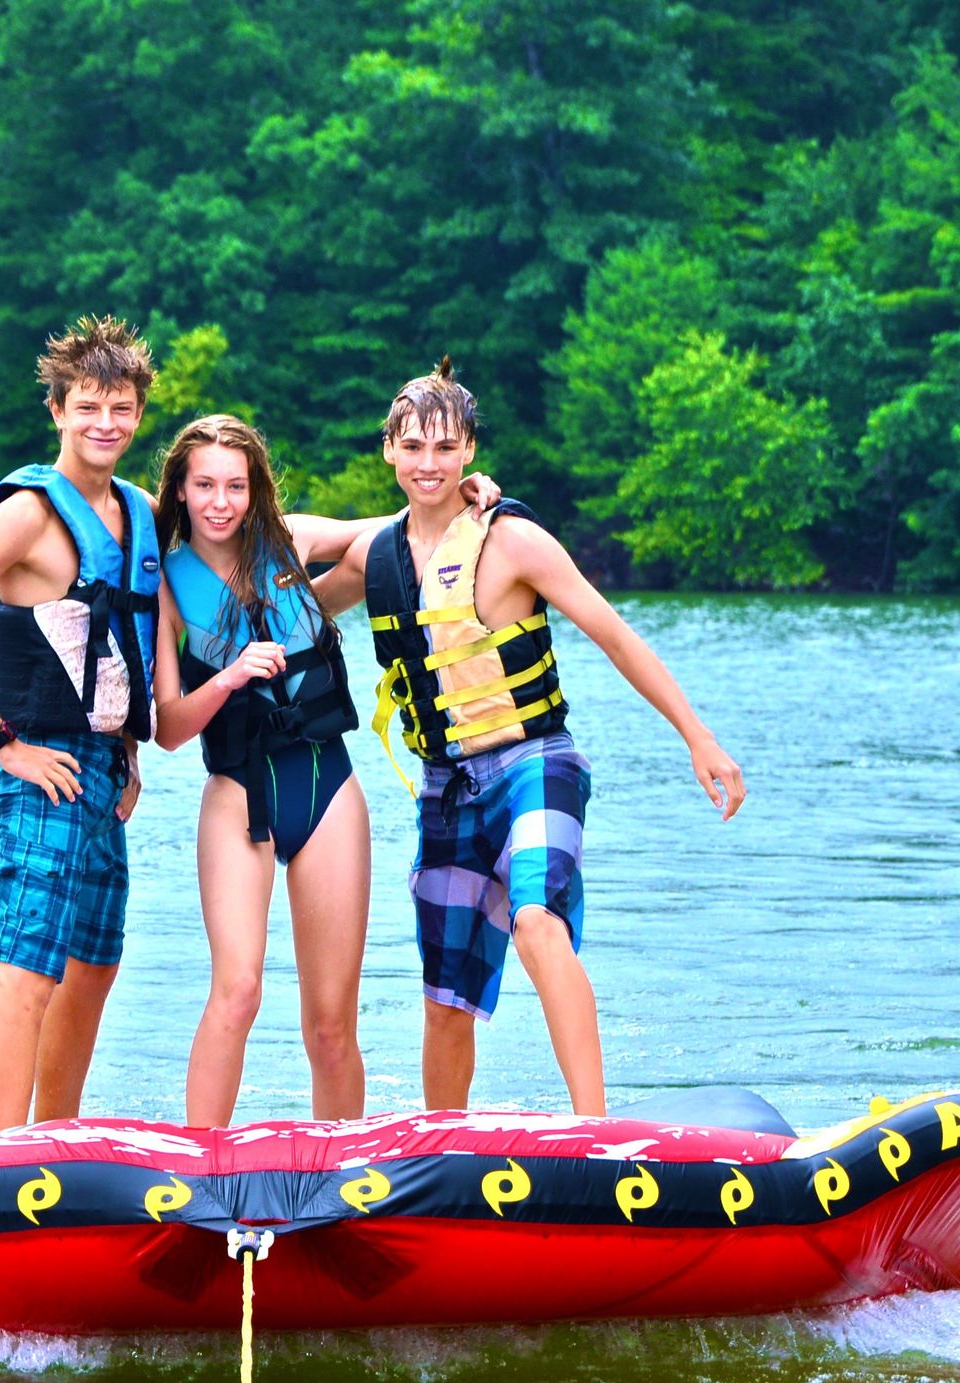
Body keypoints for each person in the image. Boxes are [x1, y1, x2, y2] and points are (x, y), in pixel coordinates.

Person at [317, 359, 748, 1118]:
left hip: (535, 763)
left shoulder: (510, 539)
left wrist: (697, 737)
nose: (428, 463)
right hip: (445, 785)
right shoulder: (374, 555)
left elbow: (614, 636)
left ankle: (595, 1127)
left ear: (470, 453)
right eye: (412, 446)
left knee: (535, 918)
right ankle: (444, 1148)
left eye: (445, 448)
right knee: (446, 996)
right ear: (388, 449)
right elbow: (291, 610)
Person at [147, 414, 498, 1127]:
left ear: (256, 490)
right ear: (180, 491)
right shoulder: (167, 585)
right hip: (239, 793)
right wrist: (227, 679)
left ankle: (339, 1171)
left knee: (331, 1023)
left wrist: (464, 495)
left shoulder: (292, 540)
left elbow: (399, 533)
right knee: (238, 990)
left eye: (236, 486)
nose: (221, 502)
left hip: (327, 787)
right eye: (205, 485)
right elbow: (168, 730)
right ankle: (198, 1165)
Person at [0, 316, 159, 1133]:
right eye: (88, 406)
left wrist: (127, 749)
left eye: (120, 408)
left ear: (139, 415)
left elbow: (249, 536)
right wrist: (3, 745)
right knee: (29, 968)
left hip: (101, 772)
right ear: (57, 410)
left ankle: (59, 1138)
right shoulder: (26, 515)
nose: (105, 424)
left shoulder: (140, 511)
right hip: (38, 770)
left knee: (95, 965)